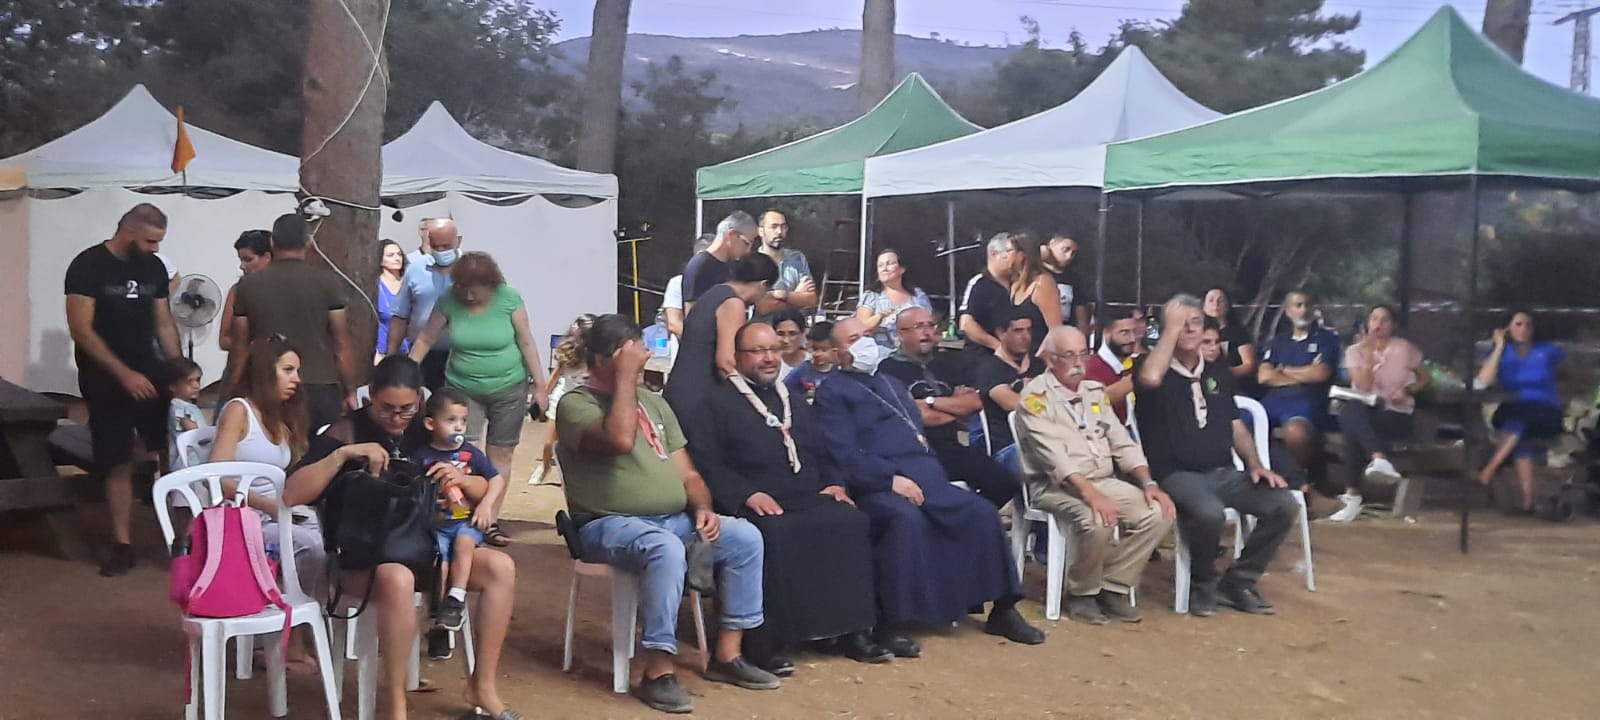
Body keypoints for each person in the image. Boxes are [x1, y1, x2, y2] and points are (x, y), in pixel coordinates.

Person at [556, 315, 779, 714]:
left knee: (745, 537)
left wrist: (704, 507)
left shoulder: (655, 404)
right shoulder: (576, 404)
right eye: (633, 354)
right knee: (665, 548)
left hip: (671, 520)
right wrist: (625, 379)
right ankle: (657, 671)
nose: (642, 360)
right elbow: (619, 440)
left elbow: (688, 473)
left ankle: (727, 655)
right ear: (605, 359)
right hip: (606, 523)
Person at [286, 356, 517, 720]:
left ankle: (482, 685)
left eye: (406, 409)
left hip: (426, 550)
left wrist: (460, 479)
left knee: (500, 567)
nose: (396, 418)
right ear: (370, 397)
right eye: (386, 409)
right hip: (362, 559)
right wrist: (343, 455)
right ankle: (395, 703)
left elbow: (484, 481)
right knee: (397, 578)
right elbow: (291, 494)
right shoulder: (348, 430)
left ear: (420, 402)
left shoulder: (429, 428)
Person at [814, 317, 1044, 652]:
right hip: (878, 481)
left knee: (980, 513)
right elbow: (842, 452)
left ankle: (1003, 609)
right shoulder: (832, 392)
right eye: (853, 339)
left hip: (926, 474)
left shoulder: (891, 382)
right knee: (905, 520)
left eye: (865, 335)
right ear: (837, 353)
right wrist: (889, 479)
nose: (864, 343)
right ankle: (892, 622)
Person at [687, 322, 888, 674]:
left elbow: (822, 448)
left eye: (774, 350)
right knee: (774, 532)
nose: (769, 358)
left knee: (850, 520)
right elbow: (707, 463)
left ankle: (849, 631)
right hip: (754, 498)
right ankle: (765, 644)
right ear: (737, 357)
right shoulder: (714, 402)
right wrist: (747, 494)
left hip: (805, 493)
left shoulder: (790, 397)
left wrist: (835, 483)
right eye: (758, 351)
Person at [1136, 295, 1296, 617]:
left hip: (1222, 471)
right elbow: (1150, 379)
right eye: (1180, 324)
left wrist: (1255, 465)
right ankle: (1203, 583)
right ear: (1166, 329)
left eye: (1195, 322)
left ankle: (1239, 582)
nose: (1189, 329)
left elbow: (1235, 424)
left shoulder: (1216, 371)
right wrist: (1171, 330)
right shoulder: (1149, 366)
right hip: (1176, 474)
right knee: (1210, 513)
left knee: (1283, 504)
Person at [1016, 326, 1176, 624]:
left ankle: (1113, 585)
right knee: (1098, 519)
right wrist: (1091, 495)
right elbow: (1054, 458)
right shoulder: (1035, 398)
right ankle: (1082, 592)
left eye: (1083, 354)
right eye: (1069, 355)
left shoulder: (1094, 392)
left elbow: (1122, 442)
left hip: (1103, 480)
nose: (1078, 362)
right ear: (1050, 359)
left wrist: (1148, 482)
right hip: (1054, 486)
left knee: (1159, 513)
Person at [64, 203, 181, 576]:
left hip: (151, 372)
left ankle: (179, 537)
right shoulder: (88, 265)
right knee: (117, 459)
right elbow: (81, 329)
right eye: (150, 241)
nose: (156, 249)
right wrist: (124, 374)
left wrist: (179, 371)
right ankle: (122, 543)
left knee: (172, 449)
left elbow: (164, 323)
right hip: (104, 378)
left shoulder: (154, 268)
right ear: (129, 232)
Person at [409, 251, 550, 546]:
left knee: (501, 454)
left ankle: (490, 519)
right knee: (461, 450)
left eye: (475, 289)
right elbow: (425, 338)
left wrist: (540, 385)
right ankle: (462, 516)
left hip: (509, 386)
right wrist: (407, 376)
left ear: (491, 284)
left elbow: (526, 341)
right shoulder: (449, 300)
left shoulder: (509, 298)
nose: (469, 295)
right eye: (462, 287)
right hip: (463, 387)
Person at [209, 338, 324, 673]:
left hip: (273, 514)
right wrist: (269, 506)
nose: (296, 379)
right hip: (242, 519)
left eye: (297, 371)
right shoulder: (238, 411)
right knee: (309, 546)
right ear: (264, 372)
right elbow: (216, 476)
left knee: (328, 536)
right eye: (288, 370)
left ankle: (296, 627)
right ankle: (289, 639)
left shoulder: (280, 415)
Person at [228, 213, 359, 431]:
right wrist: (351, 389)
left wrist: (236, 388)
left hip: (268, 383)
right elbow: (342, 342)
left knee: (276, 445)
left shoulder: (248, 286)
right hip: (320, 383)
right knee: (320, 448)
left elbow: (239, 346)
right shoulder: (328, 282)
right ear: (307, 243)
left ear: (272, 243)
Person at [879, 306, 1017, 508]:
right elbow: (916, 416)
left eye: (930, 325)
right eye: (919, 327)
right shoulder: (889, 369)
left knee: (1005, 483)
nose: (927, 332)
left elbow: (973, 404)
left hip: (951, 446)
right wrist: (954, 409)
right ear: (901, 333)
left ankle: (969, 517)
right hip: (916, 450)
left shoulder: (947, 364)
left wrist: (929, 402)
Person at [408, 388, 503, 632]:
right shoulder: (421, 456)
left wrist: (486, 506)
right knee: (439, 559)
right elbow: (412, 488)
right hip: (435, 525)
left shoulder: (470, 454)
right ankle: (438, 614)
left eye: (463, 420)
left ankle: (456, 600)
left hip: (464, 522)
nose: (459, 427)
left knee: (463, 543)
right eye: (451, 420)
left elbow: (496, 479)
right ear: (431, 424)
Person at [1332, 305, 1426, 522]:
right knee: (1353, 412)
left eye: (1384, 320)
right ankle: (1379, 458)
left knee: (1351, 424)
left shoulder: (1404, 348)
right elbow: (1364, 386)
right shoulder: (1354, 352)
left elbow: (1425, 378)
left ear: (1393, 325)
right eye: (1374, 319)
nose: (1378, 325)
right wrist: (1368, 354)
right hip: (1367, 413)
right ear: (1367, 323)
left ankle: (1352, 498)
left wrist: (1408, 390)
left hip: (1396, 414)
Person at [663, 253, 779, 421]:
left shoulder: (713, 294)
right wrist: (752, 402)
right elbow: (726, 363)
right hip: (699, 397)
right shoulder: (732, 303)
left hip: (679, 388)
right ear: (763, 285)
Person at [1476, 310, 1567, 513]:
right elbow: (1483, 380)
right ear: (1507, 327)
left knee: (1519, 423)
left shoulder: (1547, 350)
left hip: (1545, 411)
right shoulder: (1503, 352)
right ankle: (1527, 501)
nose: (1524, 329)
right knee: (1519, 432)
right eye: (1518, 324)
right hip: (1513, 408)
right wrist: (1499, 346)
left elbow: (1571, 372)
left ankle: (1488, 470)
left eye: (1528, 325)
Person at [1257, 290, 1340, 471]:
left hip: (1307, 400)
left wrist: (1282, 369)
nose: (1303, 310)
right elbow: (1263, 376)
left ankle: (1299, 481)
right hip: (1273, 401)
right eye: (1298, 305)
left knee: (1295, 432)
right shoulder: (1278, 341)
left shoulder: (1326, 339)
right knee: (1241, 422)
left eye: (1307, 305)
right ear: (1288, 311)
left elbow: (1320, 374)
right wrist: (1304, 374)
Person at [388, 218, 463, 389]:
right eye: (436, 246)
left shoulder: (471, 269)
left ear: (458, 241)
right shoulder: (415, 269)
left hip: (462, 356)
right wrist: (391, 358)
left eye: (446, 246)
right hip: (423, 355)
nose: (441, 251)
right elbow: (400, 317)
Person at [530, 314, 596, 486]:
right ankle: (544, 467)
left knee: (580, 444)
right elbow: (554, 377)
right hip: (563, 398)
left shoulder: (598, 356)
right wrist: (541, 398)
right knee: (549, 443)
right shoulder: (567, 351)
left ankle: (578, 476)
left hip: (587, 401)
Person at [974, 310, 1044, 459]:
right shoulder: (989, 368)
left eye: (1028, 330)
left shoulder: (1040, 366)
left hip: (1044, 442)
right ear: (1001, 333)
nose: (1025, 337)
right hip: (1009, 448)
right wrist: (1038, 396)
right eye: (1018, 331)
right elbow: (1013, 403)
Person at [958, 233, 1022, 367]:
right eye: (1011, 252)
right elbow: (966, 324)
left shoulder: (1019, 283)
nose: (1016, 257)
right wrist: (997, 346)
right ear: (994, 254)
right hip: (983, 358)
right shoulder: (979, 283)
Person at [750, 210, 818, 322]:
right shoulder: (753, 262)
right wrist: (797, 295)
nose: (779, 231)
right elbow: (763, 307)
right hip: (764, 329)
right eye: (774, 227)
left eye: (783, 227)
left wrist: (784, 295)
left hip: (794, 328)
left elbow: (811, 300)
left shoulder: (797, 258)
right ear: (761, 231)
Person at [856, 248, 933, 348]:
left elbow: (929, 324)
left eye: (890, 264)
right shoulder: (871, 296)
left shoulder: (917, 295)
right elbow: (860, 328)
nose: (884, 268)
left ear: (902, 269)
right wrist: (879, 317)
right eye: (880, 265)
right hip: (881, 353)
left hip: (913, 352)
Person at [683, 211, 757, 308]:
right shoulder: (699, 266)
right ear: (731, 235)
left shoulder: (734, 265)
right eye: (746, 243)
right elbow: (692, 311)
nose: (748, 250)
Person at [1083, 306, 1142, 424]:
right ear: (1106, 333)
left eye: (1134, 332)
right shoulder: (1090, 370)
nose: (1132, 339)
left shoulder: (1136, 364)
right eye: (1125, 333)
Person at [1007, 234, 1060, 357]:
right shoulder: (1015, 284)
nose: (1005, 255)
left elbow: (1056, 330)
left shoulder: (1043, 283)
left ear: (1022, 254)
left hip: (1038, 356)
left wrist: (1036, 358)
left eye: (1009, 251)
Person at [664, 236, 713, 369]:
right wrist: (702, 349)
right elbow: (674, 324)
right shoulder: (678, 283)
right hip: (686, 361)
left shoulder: (722, 284)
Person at [1204, 287, 1259, 385]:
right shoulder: (1196, 332)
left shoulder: (1239, 332)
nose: (1216, 304)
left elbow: (1249, 365)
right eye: (1211, 300)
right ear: (1203, 305)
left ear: (1228, 305)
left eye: (1220, 300)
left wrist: (1225, 374)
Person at [1041, 232, 1091, 334]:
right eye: (1065, 249)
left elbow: (1081, 315)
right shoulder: (1036, 272)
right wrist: (1044, 251)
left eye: (1073, 253)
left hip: (1065, 333)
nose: (1069, 256)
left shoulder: (1074, 279)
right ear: (1052, 244)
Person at [165, 357, 205, 469]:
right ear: (173, 386)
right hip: (187, 461)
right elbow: (190, 427)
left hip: (196, 458)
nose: (196, 386)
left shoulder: (188, 406)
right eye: (189, 382)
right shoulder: (178, 407)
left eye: (198, 380)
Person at [376, 239, 410, 363]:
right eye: (390, 255)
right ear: (380, 260)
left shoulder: (409, 283)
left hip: (411, 350)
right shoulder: (375, 286)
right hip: (383, 352)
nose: (397, 258)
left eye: (399, 254)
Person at [784, 320, 837, 398]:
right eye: (814, 349)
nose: (818, 354)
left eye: (824, 350)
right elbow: (785, 389)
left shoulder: (839, 370)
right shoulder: (803, 370)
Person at [771, 308, 810, 381]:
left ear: (803, 333)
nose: (786, 340)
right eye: (781, 334)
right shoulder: (770, 364)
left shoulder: (813, 362)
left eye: (792, 334)